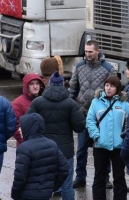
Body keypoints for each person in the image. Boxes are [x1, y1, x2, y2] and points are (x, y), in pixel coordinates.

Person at [27, 71, 86, 200]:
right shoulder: (70, 103)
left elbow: (28, 123)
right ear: (63, 85)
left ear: (49, 85)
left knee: (44, 185)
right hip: (65, 151)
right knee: (67, 185)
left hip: (43, 149)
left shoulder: (38, 102)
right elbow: (80, 126)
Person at [68, 39, 116, 189]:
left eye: (90, 51)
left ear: (98, 51)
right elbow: (73, 89)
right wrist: (71, 107)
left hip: (102, 116)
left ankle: (104, 178)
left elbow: (114, 91)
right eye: (86, 51)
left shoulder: (108, 69)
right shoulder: (79, 66)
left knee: (103, 148)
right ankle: (80, 177)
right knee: (81, 148)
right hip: (83, 114)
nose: (87, 54)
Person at [86, 76, 129, 199]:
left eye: (112, 86)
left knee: (119, 177)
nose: (109, 88)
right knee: (99, 177)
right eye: (107, 85)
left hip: (119, 146)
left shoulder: (124, 103)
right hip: (100, 145)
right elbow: (90, 120)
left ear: (117, 88)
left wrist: (124, 138)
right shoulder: (96, 102)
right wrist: (96, 135)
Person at [12, 113, 69, 200]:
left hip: (27, 195)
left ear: (28, 127)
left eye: (21, 126)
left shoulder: (24, 148)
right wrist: (53, 187)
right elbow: (64, 168)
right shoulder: (52, 144)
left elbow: (20, 177)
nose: (19, 130)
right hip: (46, 194)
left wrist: (15, 194)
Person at [12, 73, 45, 146]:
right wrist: (26, 142)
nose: (35, 86)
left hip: (43, 145)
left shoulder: (44, 101)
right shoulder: (17, 104)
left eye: (37, 83)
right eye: (32, 84)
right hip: (26, 146)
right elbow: (15, 128)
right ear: (26, 86)